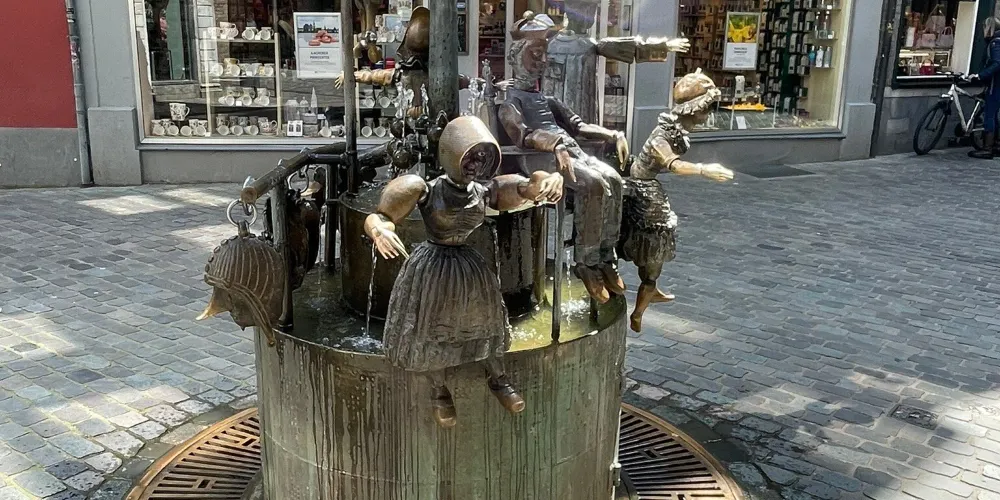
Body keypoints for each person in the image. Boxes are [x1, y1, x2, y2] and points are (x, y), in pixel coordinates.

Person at [364, 116, 565, 428]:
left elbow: (527, 186)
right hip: (433, 265)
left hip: (468, 265)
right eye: (470, 156)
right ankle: (438, 389)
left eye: (483, 157)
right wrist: (380, 231)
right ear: (451, 153)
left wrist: (551, 180)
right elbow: (379, 215)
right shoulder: (423, 188)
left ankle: (498, 378)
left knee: (486, 320)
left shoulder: (484, 191)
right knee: (431, 327)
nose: (475, 164)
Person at [497, 12, 630, 304]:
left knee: (614, 179)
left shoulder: (548, 99)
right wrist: (555, 144)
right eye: (535, 54)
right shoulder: (510, 101)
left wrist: (613, 134)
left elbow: (579, 126)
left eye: (544, 55)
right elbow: (522, 134)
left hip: (571, 152)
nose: (542, 61)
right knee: (593, 184)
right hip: (540, 160)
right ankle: (586, 262)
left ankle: (606, 257)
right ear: (517, 57)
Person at [619, 70, 733, 332]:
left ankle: (652, 286)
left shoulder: (672, 128)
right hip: (645, 192)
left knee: (656, 242)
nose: (706, 116)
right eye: (705, 110)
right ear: (693, 109)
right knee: (655, 242)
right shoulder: (662, 137)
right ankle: (639, 309)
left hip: (647, 186)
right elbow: (675, 165)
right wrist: (704, 169)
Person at [969, 17, 1000, 159]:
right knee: (994, 114)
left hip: (996, 84)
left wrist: (980, 76)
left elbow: (997, 63)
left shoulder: (995, 43)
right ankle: (996, 145)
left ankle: (987, 148)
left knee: (989, 114)